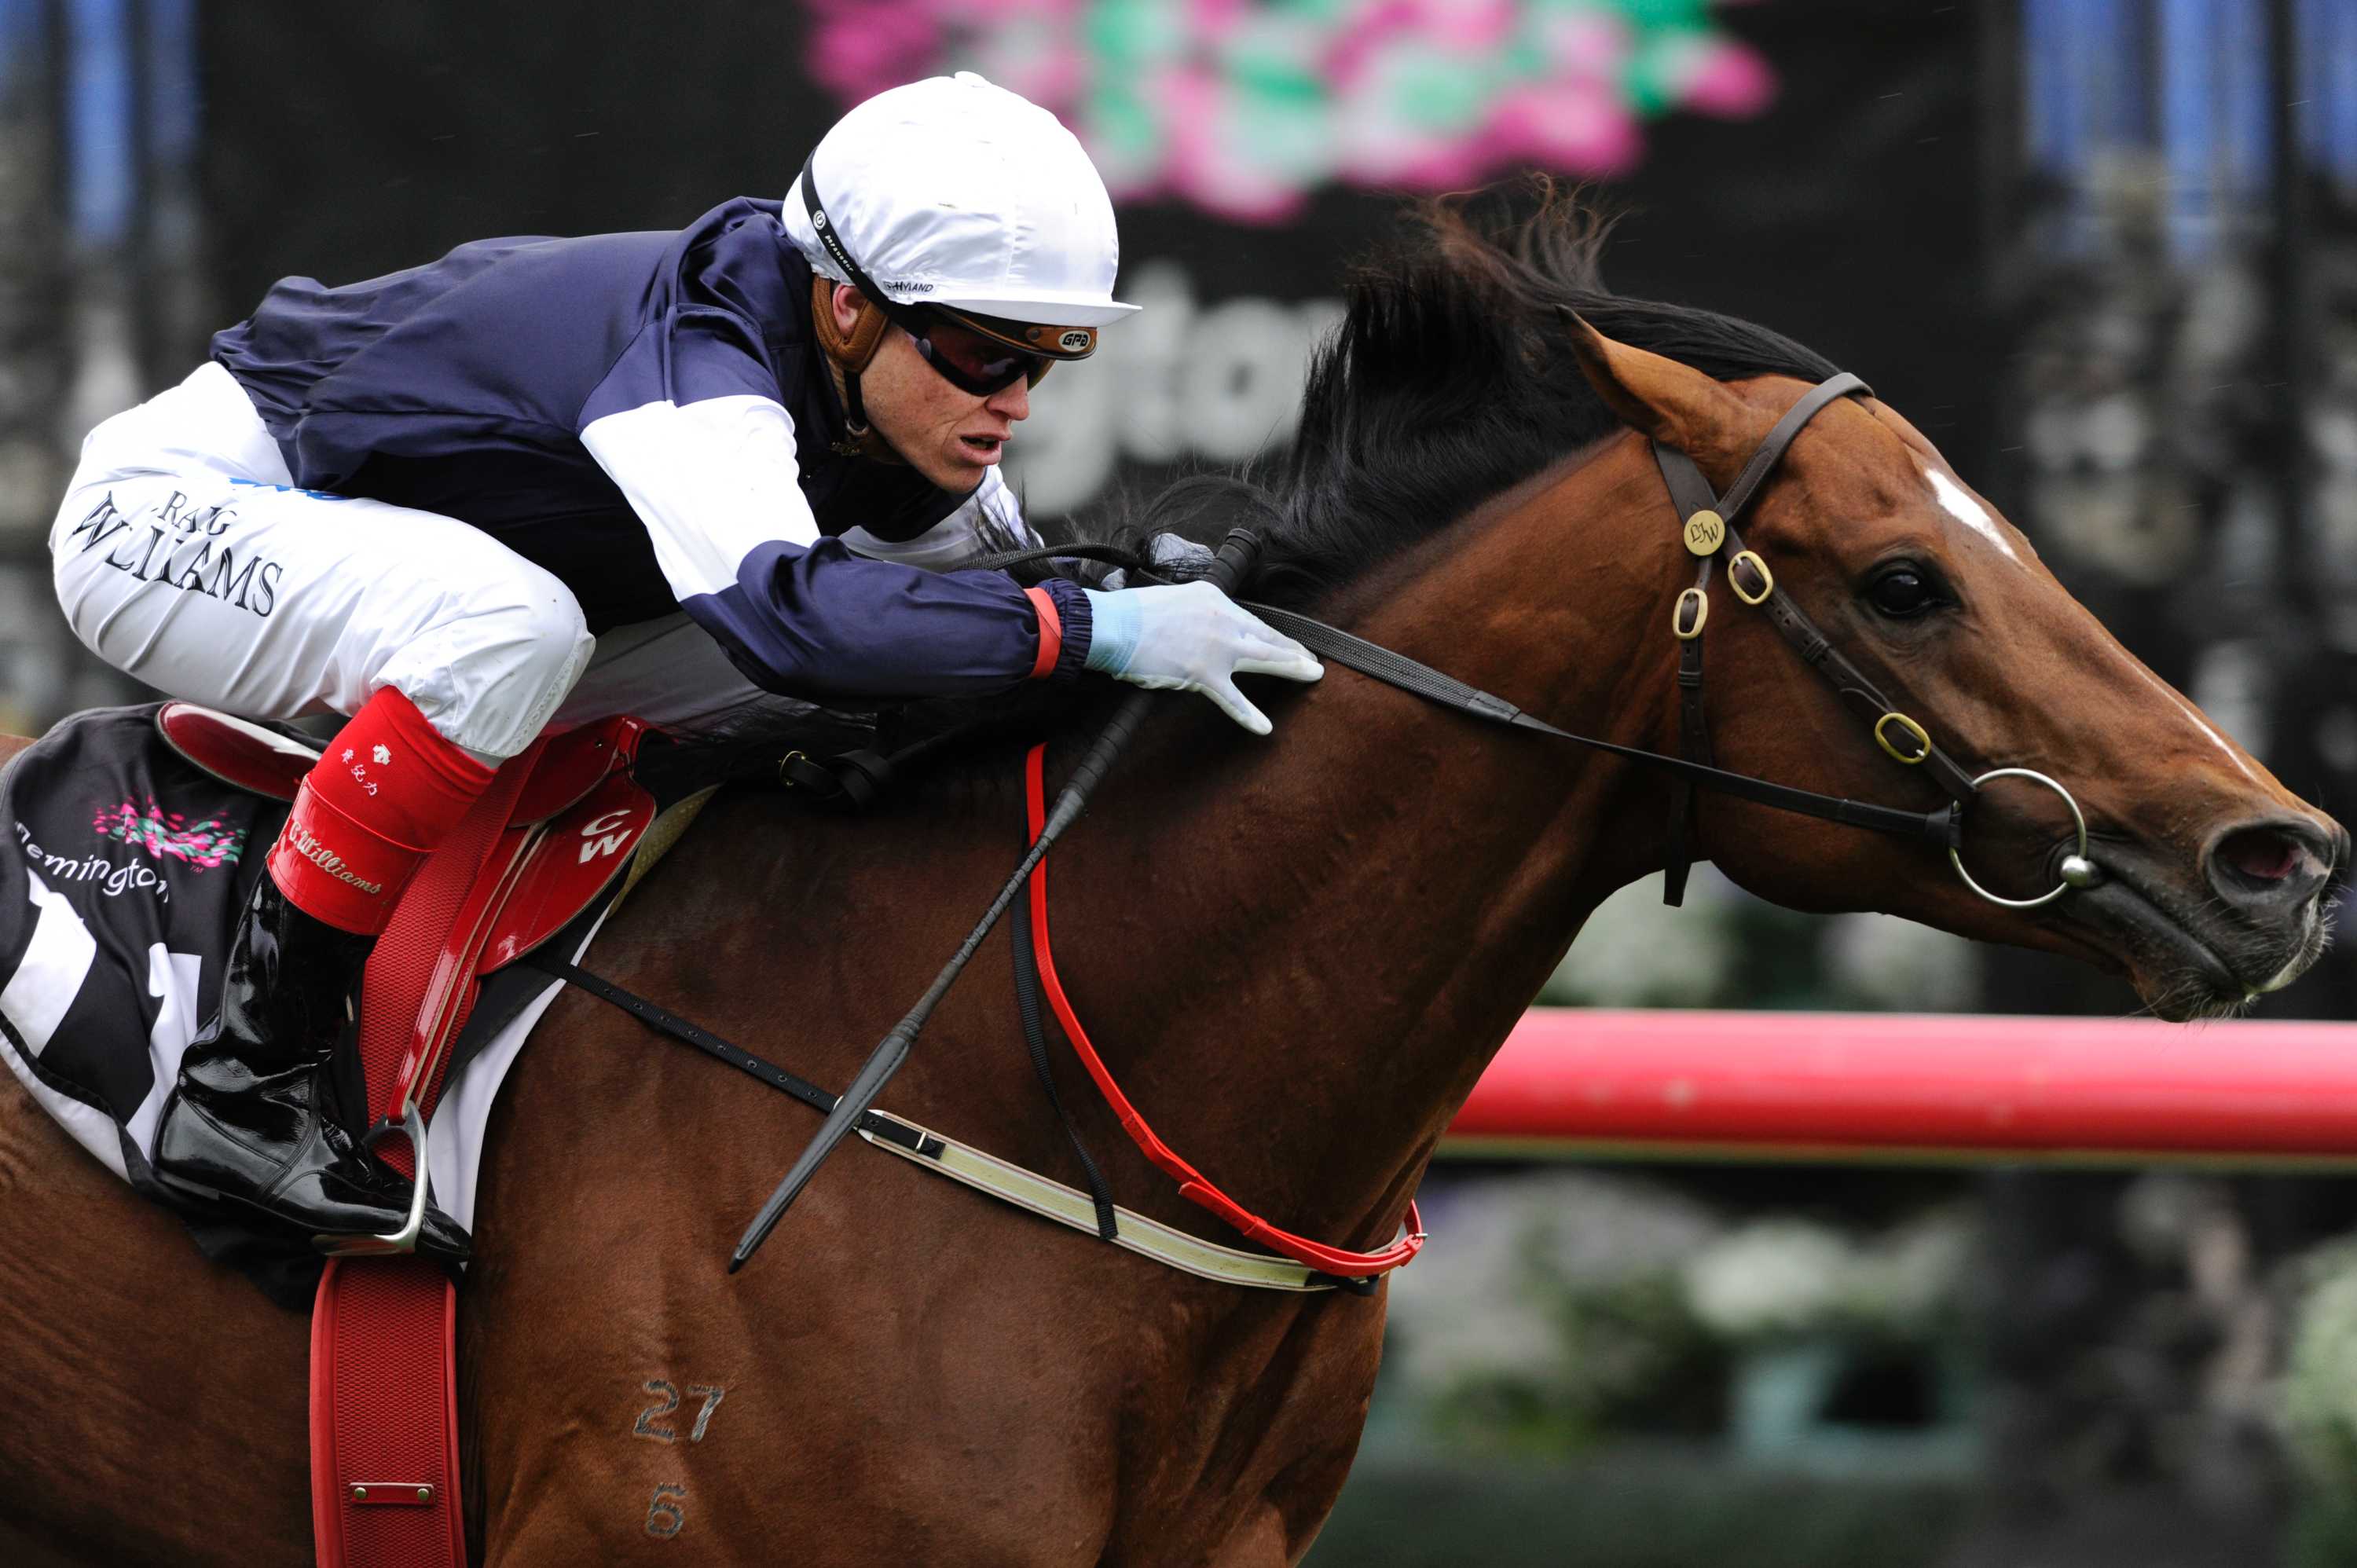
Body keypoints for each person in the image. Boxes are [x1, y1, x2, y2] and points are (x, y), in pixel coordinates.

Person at [46, 72, 1321, 1262]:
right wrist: (1097, 633)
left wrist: (1120, 603)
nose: (1017, 404)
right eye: (988, 357)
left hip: (400, 551)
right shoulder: (698, 360)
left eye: (1050, 360)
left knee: (925, 652)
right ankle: (244, 1084)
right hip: (168, 517)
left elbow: (992, 620)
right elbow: (794, 622)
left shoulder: (881, 392)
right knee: (523, 626)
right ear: (847, 304)